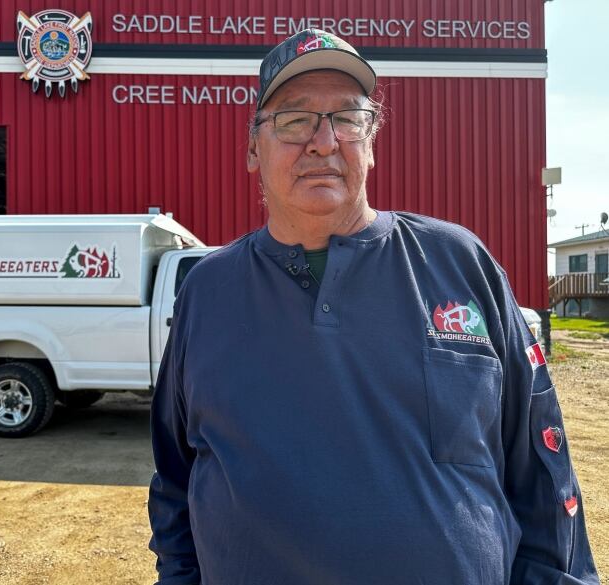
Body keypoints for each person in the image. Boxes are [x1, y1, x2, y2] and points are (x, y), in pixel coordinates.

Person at [147, 29, 599, 585]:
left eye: (347, 118)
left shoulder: (459, 264)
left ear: (372, 141)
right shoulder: (208, 292)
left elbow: (544, 474)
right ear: (252, 148)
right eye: (293, 119)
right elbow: (174, 480)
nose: (322, 141)